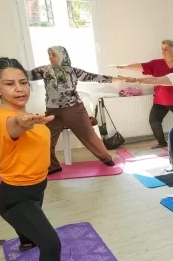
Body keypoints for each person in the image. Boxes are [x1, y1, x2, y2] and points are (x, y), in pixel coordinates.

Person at [0, 57, 70, 261]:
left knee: (33, 221)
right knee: (51, 244)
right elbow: (15, 125)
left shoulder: (27, 113)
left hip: (36, 188)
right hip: (14, 197)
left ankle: (25, 240)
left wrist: (33, 121)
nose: (19, 89)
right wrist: (25, 122)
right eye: (9, 84)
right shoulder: (4, 119)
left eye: (22, 82)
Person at [30, 46, 118, 174]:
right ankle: (53, 166)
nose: (50, 57)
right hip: (53, 112)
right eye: (49, 55)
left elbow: (92, 77)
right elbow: (25, 75)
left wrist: (115, 79)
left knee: (88, 135)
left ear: (62, 56)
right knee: (46, 138)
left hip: (74, 109)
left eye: (53, 55)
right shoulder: (44, 70)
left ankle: (106, 159)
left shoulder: (73, 71)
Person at [114, 39, 173, 148]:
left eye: (166, 49)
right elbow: (142, 66)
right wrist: (125, 66)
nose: (163, 51)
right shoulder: (156, 64)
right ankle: (162, 143)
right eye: (162, 49)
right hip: (159, 101)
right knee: (154, 122)